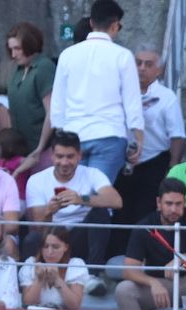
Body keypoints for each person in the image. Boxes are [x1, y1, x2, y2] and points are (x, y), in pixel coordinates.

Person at [49, 0, 143, 183]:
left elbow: (58, 101)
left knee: (74, 195)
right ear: (115, 25)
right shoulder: (123, 56)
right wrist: (138, 139)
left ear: (91, 23)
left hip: (73, 135)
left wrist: (60, 137)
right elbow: (132, 102)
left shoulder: (67, 55)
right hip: (109, 134)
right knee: (99, 195)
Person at [117, 176, 186, 310]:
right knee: (124, 290)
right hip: (161, 284)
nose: (174, 209)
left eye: (178, 204)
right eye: (168, 204)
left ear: (184, 202)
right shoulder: (145, 226)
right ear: (158, 203)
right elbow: (129, 270)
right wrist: (153, 283)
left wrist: (182, 259)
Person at [23, 128, 122, 263]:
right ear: (52, 155)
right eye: (60, 156)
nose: (64, 162)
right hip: (53, 235)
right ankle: (31, 278)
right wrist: (49, 210)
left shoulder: (92, 173)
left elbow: (116, 201)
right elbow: (38, 226)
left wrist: (82, 199)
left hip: (81, 234)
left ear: (79, 156)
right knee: (32, 238)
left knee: (100, 211)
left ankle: (93, 274)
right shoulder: (37, 180)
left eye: (70, 156)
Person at [0, 23, 55, 171]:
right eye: (11, 49)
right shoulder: (16, 71)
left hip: (41, 150)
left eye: (18, 49)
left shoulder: (43, 67)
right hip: (21, 151)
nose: (13, 55)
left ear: (30, 44)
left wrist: (40, 147)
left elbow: (51, 111)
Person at [19, 225, 90, 309]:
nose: (50, 252)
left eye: (55, 247)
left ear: (66, 247)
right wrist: (39, 279)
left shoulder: (75, 265)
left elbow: (75, 306)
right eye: (45, 246)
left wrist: (57, 280)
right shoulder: (31, 263)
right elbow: (27, 303)